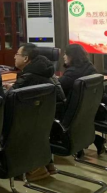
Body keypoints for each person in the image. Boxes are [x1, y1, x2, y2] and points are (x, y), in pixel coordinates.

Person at [11, 43, 67, 180]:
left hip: (32, 121)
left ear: (25, 59)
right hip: (49, 117)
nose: (14, 57)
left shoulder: (29, 76)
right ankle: (47, 165)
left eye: (17, 54)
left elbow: (10, 98)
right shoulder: (46, 70)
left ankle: (33, 169)